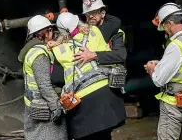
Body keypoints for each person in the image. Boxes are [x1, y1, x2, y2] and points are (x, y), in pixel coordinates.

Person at [47, 12, 127, 140]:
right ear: (78, 21)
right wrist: (98, 11)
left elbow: (56, 79)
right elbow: (115, 21)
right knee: (105, 136)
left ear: (60, 31)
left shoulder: (59, 50)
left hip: (84, 104)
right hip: (109, 95)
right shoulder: (96, 32)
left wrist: (55, 43)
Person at [145, 3, 182, 140]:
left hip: (173, 105)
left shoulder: (175, 46)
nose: (165, 30)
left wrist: (152, 69)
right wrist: (162, 64)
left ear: (170, 23)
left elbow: (158, 79)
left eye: (164, 26)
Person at [17, 15, 68, 140]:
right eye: (49, 30)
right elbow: (44, 84)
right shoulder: (39, 54)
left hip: (34, 104)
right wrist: (55, 106)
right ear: (41, 33)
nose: (52, 32)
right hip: (45, 107)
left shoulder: (31, 50)